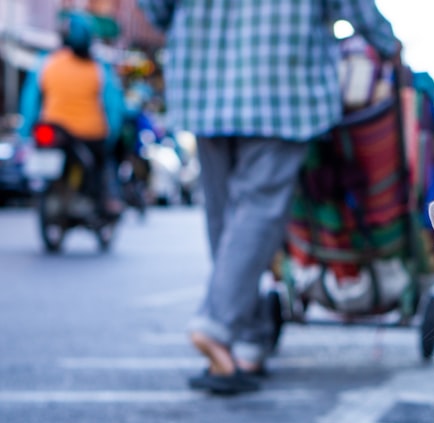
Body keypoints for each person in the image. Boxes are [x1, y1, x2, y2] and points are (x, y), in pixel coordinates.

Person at [138, 0, 401, 394]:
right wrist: (389, 45)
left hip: (203, 82)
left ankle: (247, 343)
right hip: (281, 90)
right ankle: (216, 326)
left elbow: (156, 8)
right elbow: (356, 9)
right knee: (256, 212)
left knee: (226, 219)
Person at [19, 11, 125, 219]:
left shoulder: (46, 62)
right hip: (90, 133)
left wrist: (25, 132)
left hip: (54, 129)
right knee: (105, 161)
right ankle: (109, 199)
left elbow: (30, 102)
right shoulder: (99, 68)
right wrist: (112, 133)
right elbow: (113, 107)